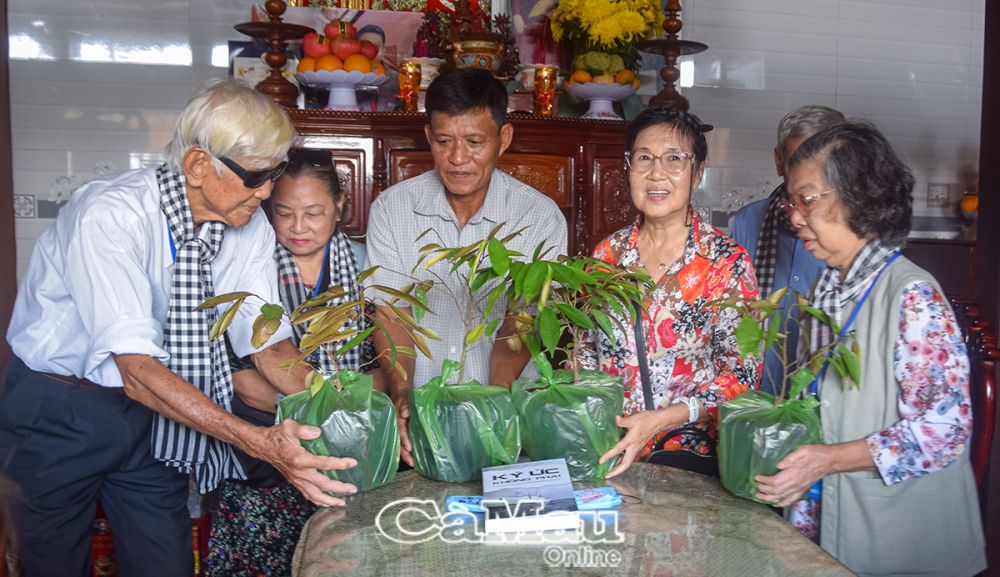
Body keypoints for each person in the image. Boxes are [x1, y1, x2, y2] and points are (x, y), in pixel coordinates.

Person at [0, 80, 357, 577]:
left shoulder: (246, 222)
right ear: (197, 166)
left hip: (154, 412)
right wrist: (256, 440)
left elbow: (265, 338)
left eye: (273, 173)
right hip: (60, 410)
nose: (268, 192)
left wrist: (332, 407)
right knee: (53, 562)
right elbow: (137, 369)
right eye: (255, 175)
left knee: (163, 561)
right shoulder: (111, 216)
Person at [754, 121, 986, 577]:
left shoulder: (912, 296)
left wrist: (831, 459)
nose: (795, 216)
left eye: (808, 200)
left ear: (858, 195)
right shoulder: (826, 287)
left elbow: (944, 432)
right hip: (824, 518)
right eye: (792, 201)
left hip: (896, 537)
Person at [365, 67, 568, 466]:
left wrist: (493, 401)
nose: (458, 159)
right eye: (444, 142)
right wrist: (402, 391)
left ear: (502, 139)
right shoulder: (392, 209)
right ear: (429, 137)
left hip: (506, 417)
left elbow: (524, 317)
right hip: (421, 418)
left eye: (475, 142)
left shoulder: (539, 217)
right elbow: (392, 312)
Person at [207, 148, 377, 577]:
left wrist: (337, 422)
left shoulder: (365, 268)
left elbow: (380, 368)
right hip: (263, 444)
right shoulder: (247, 262)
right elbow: (238, 375)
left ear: (340, 206)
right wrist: (314, 414)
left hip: (352, 443)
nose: (298, 228)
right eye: (283, 213)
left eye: (314, 213)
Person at [584, 106, 761, 478]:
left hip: (688, 461)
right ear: (628, 167)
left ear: (697, 173)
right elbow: (584, 355)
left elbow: (742, 375)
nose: (656, 173)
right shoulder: (606, 256)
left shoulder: (726, 262)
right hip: (608, 453)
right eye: (644, 158)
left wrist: (665, 417)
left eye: (674, 159)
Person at [730, 105, 843, 395]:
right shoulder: (745, 225)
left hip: (825, 408)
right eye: (797, 162)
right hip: (755, 400)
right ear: (779, 161)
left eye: (821, 166)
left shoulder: (851, 240)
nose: (808, 177)